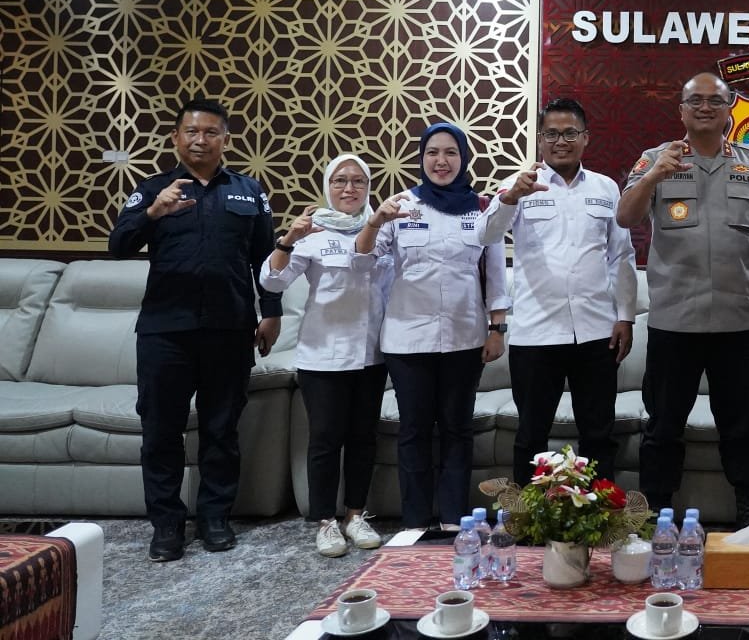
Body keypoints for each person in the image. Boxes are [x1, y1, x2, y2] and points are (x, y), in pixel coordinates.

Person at [108, 97, 282, 562]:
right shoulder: (153, 190)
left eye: (210, 132)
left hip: (230, 328)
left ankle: (214, 518)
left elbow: (265, 260)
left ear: (225, 139)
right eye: (191, 131)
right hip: (166, 331)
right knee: (161, 430)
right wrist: (152, 214)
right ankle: (166, 525)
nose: (200, 140)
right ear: (176, 138)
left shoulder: (248, 191)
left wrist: (272, 311)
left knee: (222, 428)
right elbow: (118, 246)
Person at [616, 72, 749, 526]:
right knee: (663, 424)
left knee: (742, 423)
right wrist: (654, 175)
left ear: (730, 109)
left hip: (737, 321)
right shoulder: (656, 158)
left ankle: (748, 510)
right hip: (674, 321)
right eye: (696, 101)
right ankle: (656, 513)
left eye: (716, 100)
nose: (706, 107)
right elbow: (626, 216)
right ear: (681, 110)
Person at [355, 123, 509, 530]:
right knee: (415, 431)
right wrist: (374, 221)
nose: (441, 161)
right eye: (432, 153)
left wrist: (497, 328)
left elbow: (495, 273)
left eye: (450, 153)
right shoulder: (400, 205)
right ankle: (416, 521)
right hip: (407, 340)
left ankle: (455, 520)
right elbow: (364, 261)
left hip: (465, 336)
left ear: (464, 158)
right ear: (421, 159)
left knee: (458, 429)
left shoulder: (482, 208)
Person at [491, 98, 636, 485]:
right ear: (540, 140)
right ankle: (528, 512)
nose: (561, 141)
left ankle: (600, 510)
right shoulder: (519, 185)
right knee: (531, 435)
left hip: (596, 332)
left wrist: (625, 316)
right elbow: (486, 235)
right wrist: (510, 198)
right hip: (537, 333)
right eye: (552, 134)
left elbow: (622, 255)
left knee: (598, 434)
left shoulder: (606, 188)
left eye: (570, 133)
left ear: (586, 138)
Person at [259, 154, 391, 557]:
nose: (349, 188)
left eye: (358, 181)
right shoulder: (312, 231)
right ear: (327, 186)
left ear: (368, 187)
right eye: (340, 181)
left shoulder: (385, 228)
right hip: (322, 355)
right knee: (325, 439)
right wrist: (288, 239)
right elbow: (272, 281)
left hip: (371, 353)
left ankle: (355, 515)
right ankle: (325, 522)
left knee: (363, 438)